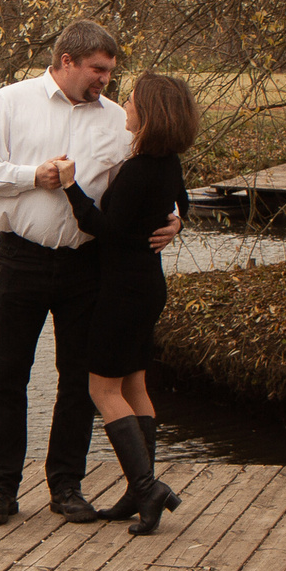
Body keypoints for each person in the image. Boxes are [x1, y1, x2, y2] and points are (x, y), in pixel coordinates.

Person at [0, 21, 178, 527]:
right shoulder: (9, 103)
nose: (105, 80)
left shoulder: (116, 122)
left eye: (109, 71)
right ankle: (2, 489)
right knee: (7, 378)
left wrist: (175, 218)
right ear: (65, 60)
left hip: (87, 265)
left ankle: (66, 486)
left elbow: (143, 186)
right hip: (20, 259)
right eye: (98, 70)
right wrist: (33, 175)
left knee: (78, 380)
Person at [65, 72, 199, 535]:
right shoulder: (168, 163)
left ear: (152, 112)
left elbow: (106, 229)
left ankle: (147, 487)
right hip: (147, 287)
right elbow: (181, 203)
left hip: (122, 292)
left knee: (102, 390)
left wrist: (69, 187)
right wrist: (177, 223)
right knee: (135, 385)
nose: (126, 104)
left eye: (134, 99)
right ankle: (135, 490)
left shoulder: (142, 169)